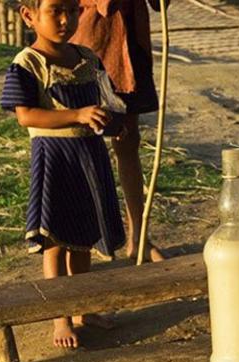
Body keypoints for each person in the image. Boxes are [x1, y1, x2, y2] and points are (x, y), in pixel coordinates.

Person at [2, 0, 125, 347]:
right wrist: (77, 115)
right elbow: (26, 116)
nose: (65, 19)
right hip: (55, 158)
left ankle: (83, 307)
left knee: (83, 238)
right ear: (29, 15)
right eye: (55, 10)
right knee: (55, 242)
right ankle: (61, 317)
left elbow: (103, 102)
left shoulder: (87, 57)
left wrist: (114, 124)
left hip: (89, 156)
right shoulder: (27, 63)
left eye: (72, 10)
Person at [70, 0, 166, 262]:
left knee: (128, 139)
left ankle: (138, 237)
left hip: (128, 49)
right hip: (89, 45)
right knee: (84, 140)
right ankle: (85, 238)